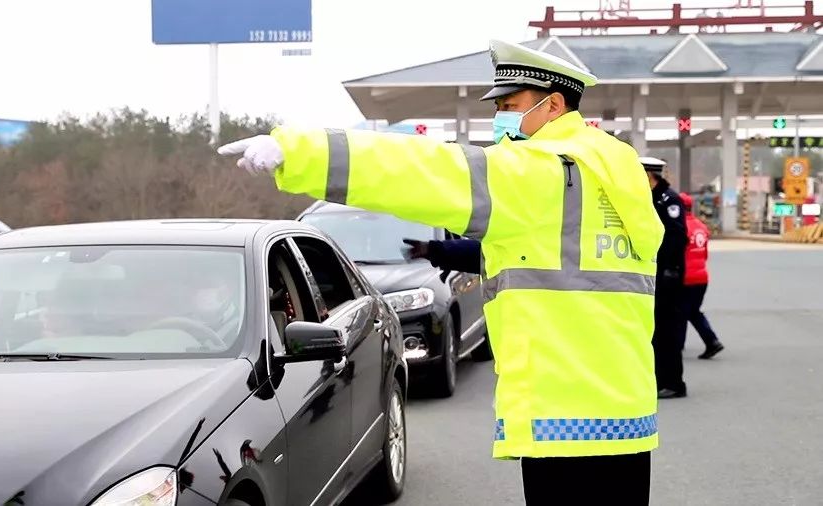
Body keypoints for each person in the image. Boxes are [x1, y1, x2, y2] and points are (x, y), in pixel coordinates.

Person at [218, 39, 665, 505]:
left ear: (553, 105)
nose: (500, 119)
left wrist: (300, 152)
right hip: (623, 410)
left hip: (564, 413)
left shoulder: (543, 172)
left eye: (510, 106)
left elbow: (425, 171)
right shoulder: (614, 171)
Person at [641, 157, 688, 399]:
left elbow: (677, 238)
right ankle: (659, 380)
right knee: (655, 331)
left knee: (667, 331)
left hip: (668, 277)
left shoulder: (669, 199)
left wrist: (669, 268)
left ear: (649, 175)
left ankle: (674, 383)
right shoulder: (648, 197)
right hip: (655, 275)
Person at [680, 192, 725, 359]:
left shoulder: (678, 226)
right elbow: (704, 254)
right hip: (701, 276)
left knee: (684, 311)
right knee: (689, 311)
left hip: (685, 277)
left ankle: (711, 341)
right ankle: (681, 343)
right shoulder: (701, 226)